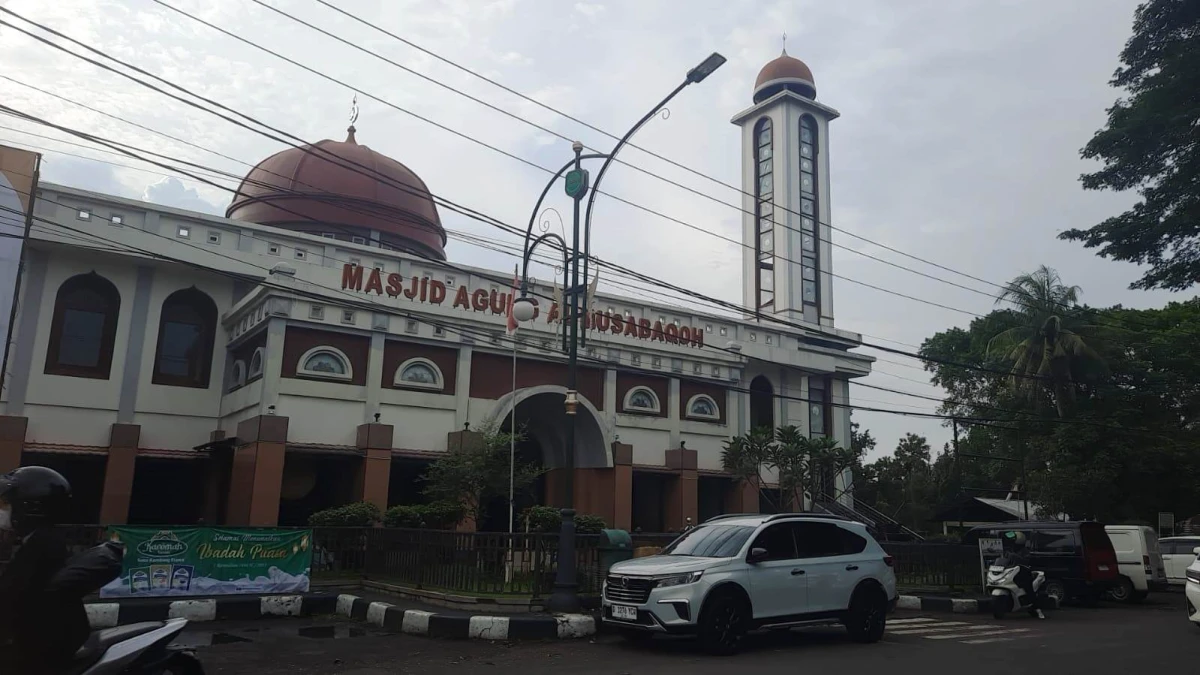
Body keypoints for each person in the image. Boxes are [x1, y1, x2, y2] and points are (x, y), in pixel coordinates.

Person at [0, 466, 90, 674]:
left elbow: (12, 595)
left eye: (5, 503)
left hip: (40, 652)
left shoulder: (43, 546)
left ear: (30, 508)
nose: (1, 509)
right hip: (37, 642)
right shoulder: (38, 540)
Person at [1002, 530, 1045, 619]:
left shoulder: (1025, 551)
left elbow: (1026, 561)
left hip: (1023, 574)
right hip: (1012, 573)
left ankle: (1037, 609)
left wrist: (1015, 556)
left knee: (1028, 588)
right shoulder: (1010, 551)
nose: (1011, 543)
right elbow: (1005, 561)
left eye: (1013, 540)